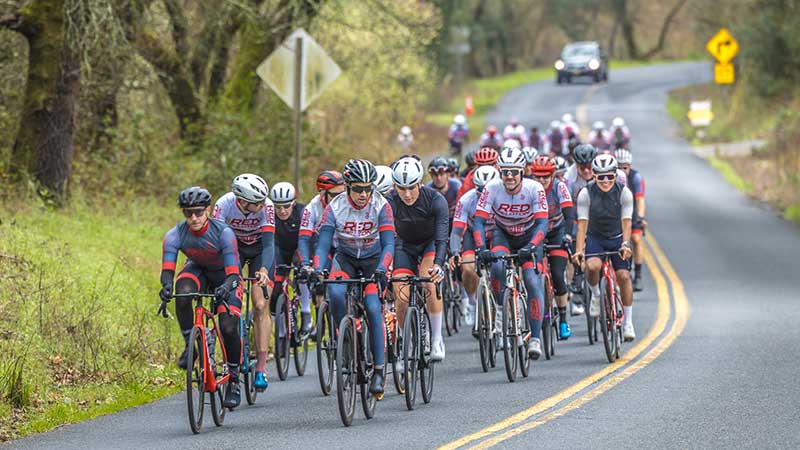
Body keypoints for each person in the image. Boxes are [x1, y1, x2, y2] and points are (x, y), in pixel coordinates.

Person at [311, 159, 394, 395]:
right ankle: (344, 338)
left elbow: (389, 244)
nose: (364, 194)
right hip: (345, 258)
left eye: (368, 188)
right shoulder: (335, 207)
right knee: (336, 293)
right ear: (348, 186)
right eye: (358, 188)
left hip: (373, 260)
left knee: (373, 307)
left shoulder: (381, 205)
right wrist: (317, 269)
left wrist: (382, 268)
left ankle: (378, 370)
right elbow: (323, 244)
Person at [160, 187, 245, 408]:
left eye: (198, 212)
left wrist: (226, 288)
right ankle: (191, 345)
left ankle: (234, 379)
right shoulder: (175, 234)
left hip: (226, 276)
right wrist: (166, 287)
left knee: (228, 327)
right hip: (199, 271)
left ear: (208, 210)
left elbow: (234, 275)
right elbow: (167, 271)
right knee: (182, 292)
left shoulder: (224, 233)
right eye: (188, 213)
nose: (194, 218)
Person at [473, 147, 549, 359]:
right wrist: (481, 248)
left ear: (522, 171)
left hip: (530, 236)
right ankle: (501, 309)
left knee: (531, 281)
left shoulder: (535, 188)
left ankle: (535, 338)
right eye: (505, 171)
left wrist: (532, 246)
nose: (509, 176)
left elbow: (542, 224)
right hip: (503, 235)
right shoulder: (492, 188)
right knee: (497, 268)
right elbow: (478, 222)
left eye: (514, 171)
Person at [211, 174, 274, 393]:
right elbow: (216, 241)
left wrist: (264, 269)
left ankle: (261, 368)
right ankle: (233, 356)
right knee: (231, 301)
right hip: (233, 249)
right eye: (257, 202)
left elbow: (269, 244)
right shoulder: (224, 204)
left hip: (260, 250)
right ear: (243, 201)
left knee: (260, 304)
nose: (262, 205)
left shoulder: (267, 206)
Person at [388, 157, 449, 362]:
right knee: (402, 295)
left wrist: (438, 265)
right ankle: (405, 341)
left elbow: (442, 238)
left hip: (429, 244)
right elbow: (385, 236)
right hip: (404, 245)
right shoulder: (389, 202)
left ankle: (436, 339)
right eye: (401, 188)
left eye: (411, 188)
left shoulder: (435, 200)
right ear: (394, 186)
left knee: (429, 280)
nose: (407, 194)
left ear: (420, 183)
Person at [572, 154, 636, 341]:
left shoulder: (624, 193)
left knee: (623, 276)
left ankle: (628, 322)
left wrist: (625, 244)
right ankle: (596, 295)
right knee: (592, 266)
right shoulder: (585, 193)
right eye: (601, 176)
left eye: (609, 176)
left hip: (618, 237)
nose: (605, 180)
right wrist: (579, 250)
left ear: (616, 175)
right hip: (596, 237)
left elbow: (627, 222)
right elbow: (582, 225)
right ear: (593, 175)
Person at [530, 156, 574, 339]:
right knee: (533, 273)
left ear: (553, 175)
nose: (541, 180)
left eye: (546, 176)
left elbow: (569, 213)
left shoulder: (559, 186)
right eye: (538, 176)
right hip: (535, 233)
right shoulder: (527, 187)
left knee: (557, 273)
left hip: (557, 231)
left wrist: (568, 235)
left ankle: (563, 319)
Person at [449, 165, 499, 328]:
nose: (484, 194)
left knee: (501, 268)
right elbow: (457, 230)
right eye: (480, 190)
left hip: (497, 233)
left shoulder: (504, 196)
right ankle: (472, 302)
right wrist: (455, 252)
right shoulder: (466, 199)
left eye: (488, 189)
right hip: (473, 235)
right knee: (468, 267)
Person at [298, 170, 347, 316]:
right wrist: (305, 264)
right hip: (325, 247)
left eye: (342, 194)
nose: (340, 199)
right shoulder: (311, 208)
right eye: (335, 195)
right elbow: (304, 239)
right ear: (322, 193)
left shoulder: (348, 204)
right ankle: (322, 313)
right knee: (319, 279)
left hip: (345, 247)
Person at [269, 182, 312, 339]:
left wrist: (307, 263)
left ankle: (306, 312)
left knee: (301, 271)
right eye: (278, 206)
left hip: (299, 247)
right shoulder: (269, 215)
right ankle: (280, 334)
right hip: (280, 249)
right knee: (275, 288)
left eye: (286, 206)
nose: (282, 211)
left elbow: (309, 238)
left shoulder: (303, 212)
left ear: (293, 203)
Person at [616, 149, 647, 292]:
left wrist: (640, 217)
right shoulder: (611, 177)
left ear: (630, 166)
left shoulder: (636, 177)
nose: (622, 170)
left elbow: (640, 199)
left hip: (631, 212)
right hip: (616, 213)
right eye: (619, 167)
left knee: (635, 239)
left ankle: (638, 275)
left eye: (625, 167)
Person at [427, 156, 462, 222]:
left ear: (447, 174)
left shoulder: (456, 185)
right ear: (431, 176)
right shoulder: (428, 190)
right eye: (435, 175)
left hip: (455, 220)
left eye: (441, 174)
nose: (438, 178)